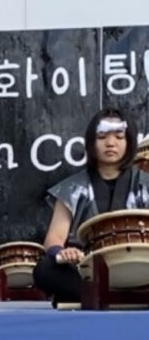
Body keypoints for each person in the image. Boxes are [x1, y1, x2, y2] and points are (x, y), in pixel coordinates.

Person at [34, 107, 149, 305]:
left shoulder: (146, 184)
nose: (110, 143)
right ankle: (115, 296)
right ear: (91, 143)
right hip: (89, 270)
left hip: (141, 265)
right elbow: (54, 238)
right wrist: (62, 253)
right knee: (44, 270)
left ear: (129, 142)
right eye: (102, 136)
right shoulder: (72, 188)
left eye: (119, 137)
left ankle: (98, 297)